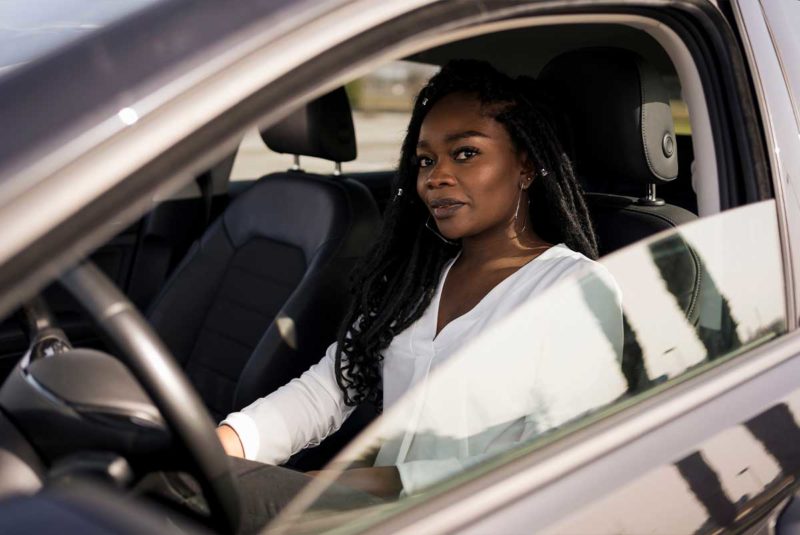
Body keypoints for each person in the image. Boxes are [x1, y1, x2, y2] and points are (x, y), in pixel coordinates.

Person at [210, 59, 623, 527]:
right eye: (426, 160)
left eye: (465, 153)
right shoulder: (416, 279)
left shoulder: (572, 287)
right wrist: (230, 442)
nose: (435, 177)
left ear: (525, 164)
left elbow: (558, 460)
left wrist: (378, 482)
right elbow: (330, 388)